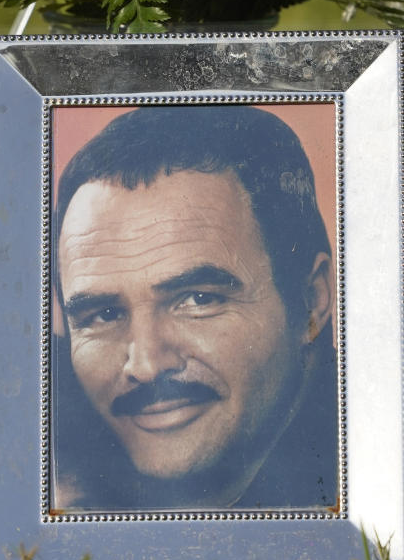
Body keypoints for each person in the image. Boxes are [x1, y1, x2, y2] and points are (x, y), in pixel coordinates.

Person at [51, 104, 338, 513]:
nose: (146, 366)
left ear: (312, 301)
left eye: (199, 300)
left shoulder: (363, 486)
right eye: (104, 315)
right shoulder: (54, 478)